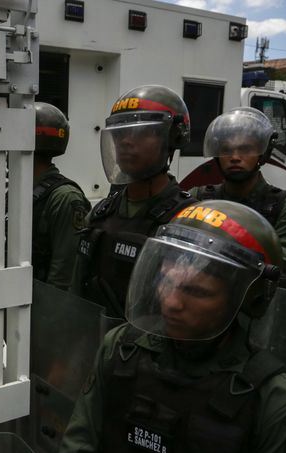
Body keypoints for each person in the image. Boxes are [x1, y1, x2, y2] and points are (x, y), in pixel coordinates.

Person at [54, 200, 286, 453]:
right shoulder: (121, 351)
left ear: (248, 297)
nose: (171, 302)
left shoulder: (273, 402)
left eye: (196, 291)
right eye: (166, 280)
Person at [70, 85, 197, 317]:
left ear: (173, 137)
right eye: (119, 134)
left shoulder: (187, 221)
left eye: (141, 133)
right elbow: (76, 292)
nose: (125, 142)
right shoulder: (101, 213)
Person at [192, 107, 286, 277]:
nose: (235, 157)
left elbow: (285, 264)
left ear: (262, 155)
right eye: (226, 150)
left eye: (245, 150)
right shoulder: (200, 198)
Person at [31, 102, 90, 289]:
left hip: (42, 308)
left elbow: (64, 276)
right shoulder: (19, 191)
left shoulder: (65, 197)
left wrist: (49, 316)